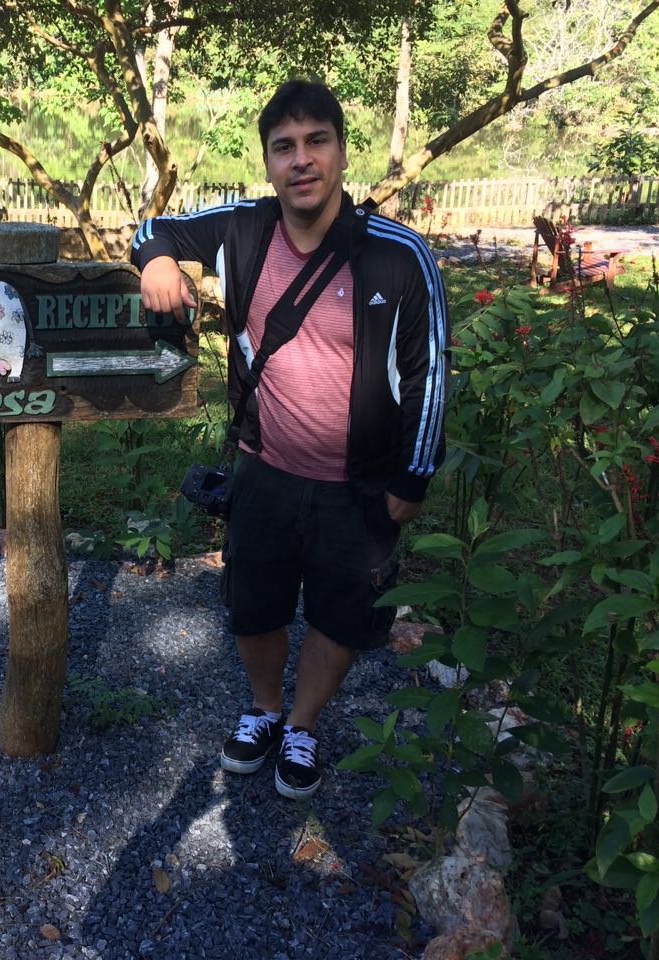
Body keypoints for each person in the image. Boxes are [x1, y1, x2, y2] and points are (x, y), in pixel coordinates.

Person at [131, 80, 448, 800]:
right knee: (254, 605)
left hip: (360, 484)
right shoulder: (243, 229)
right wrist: (155, 262)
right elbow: (153, 229)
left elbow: (430, 371)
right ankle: (266, 708)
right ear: (269, 162)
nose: (301, 160)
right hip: (263, 470)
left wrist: (412, 480)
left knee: (341, 613)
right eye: (284, 147)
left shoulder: (398, 256)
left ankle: (303, 724)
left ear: (340, 151)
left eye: (316, 142)